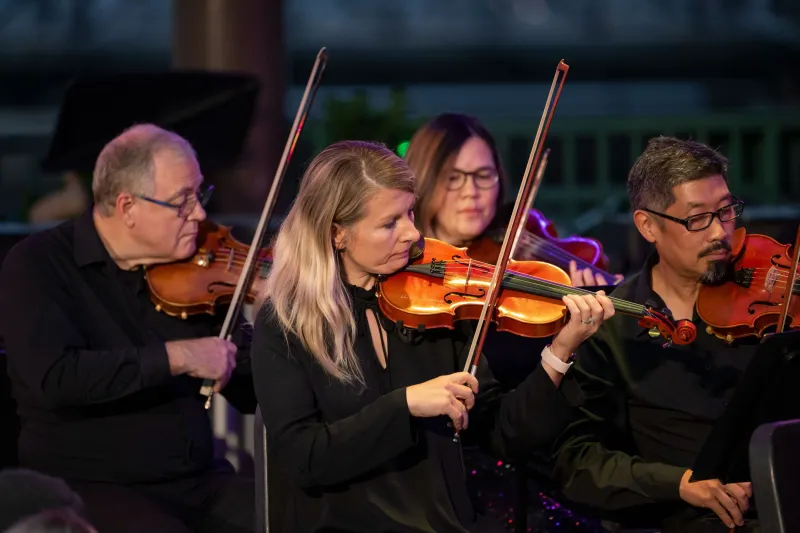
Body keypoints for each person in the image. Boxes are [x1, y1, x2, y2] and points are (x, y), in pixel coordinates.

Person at [251, 140, 616, 532]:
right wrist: (405, 405)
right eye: (390, 223)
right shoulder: (285, 323)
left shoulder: (432, 305)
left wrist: (561, 349)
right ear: (338, 233)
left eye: (409, 212)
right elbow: (306, 459)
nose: (411, 233)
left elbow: (503, 433)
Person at [0, 124, 256, 533]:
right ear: (127, 207)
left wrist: (285, 316)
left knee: (294, 517)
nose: (201, 214)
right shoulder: (37, 266)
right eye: (181, 201)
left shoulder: (196, 267)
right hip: (90, 486)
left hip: (199, 482)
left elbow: (250, 386)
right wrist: (178, 357)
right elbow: (57, 378)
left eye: (200, 194)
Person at [551, 136, 761, 532]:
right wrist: (679, 484)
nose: (720, 232)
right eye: (698, 219)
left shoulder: (767, 303)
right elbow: (577, 462)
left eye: (727, 210)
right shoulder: (610, 327)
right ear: (648, 225)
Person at [404, 112, 622, 288]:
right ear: (424, 181)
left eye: (483, 175)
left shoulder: (524, 232)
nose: (471, 191)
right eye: (453, 177)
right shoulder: (401, 266)